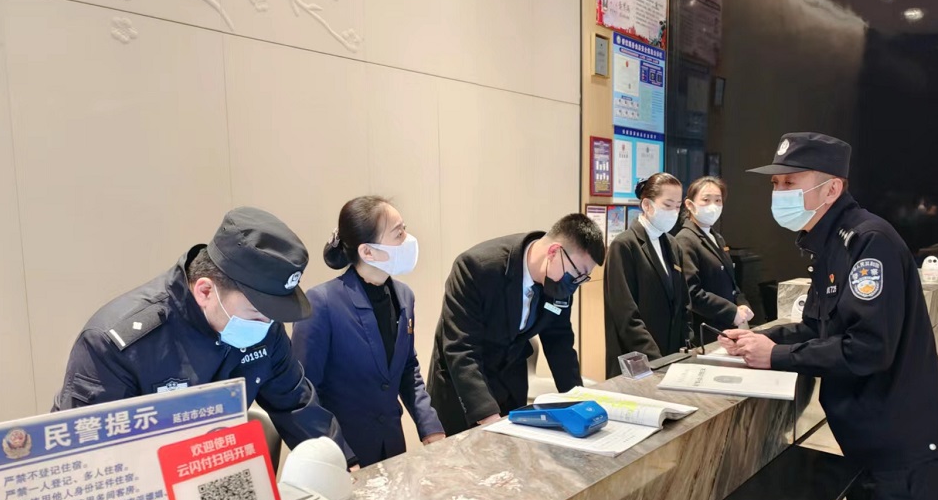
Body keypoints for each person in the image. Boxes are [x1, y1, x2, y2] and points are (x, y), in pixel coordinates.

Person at [720, 132, 938, 500]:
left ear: (831, 189)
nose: (779, 193)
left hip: (910, 463)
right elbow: (817, 328)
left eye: (790, 182)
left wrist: (775, 357)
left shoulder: (868, 244)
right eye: (776, 183)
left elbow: (868, 348)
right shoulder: (830, 245)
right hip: (876, 457)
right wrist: (763, 339)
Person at [53, 207, 349, 461]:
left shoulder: (263, 327)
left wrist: (343, 466)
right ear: (206, 291)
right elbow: (85, 456)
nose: (268, 324)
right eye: (257, 313)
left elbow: (296, 403)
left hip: (218, 478)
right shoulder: (117, 344)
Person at [291, 197, 445, 467]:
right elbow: (306, 394)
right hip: (343, 454)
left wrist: (430, 427)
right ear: (368, 252)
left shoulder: (404, 296)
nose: (408, 240)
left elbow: (407, 369)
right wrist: (342, 455)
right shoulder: (321, 303)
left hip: (392, 446)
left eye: (405, 229)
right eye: (398, 233)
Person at [427, 214, 606, 436]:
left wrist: (578, 401)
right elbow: (461, 349)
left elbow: (559, 343)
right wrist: (488, 416)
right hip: (464, 390)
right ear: (554, 252)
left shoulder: (557, 282)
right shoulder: (476, 268)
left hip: (511, 383)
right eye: (577, 274)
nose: (575, 284)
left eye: (583, 278)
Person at [604, 173, 692, 376]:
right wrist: (655, 360)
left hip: (672, 356)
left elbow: (683, 302)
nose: (673, 212)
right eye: (667, 205)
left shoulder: (673, 245)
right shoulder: (624, 245)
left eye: (678, 206)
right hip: (638, 360)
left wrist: (687, 345)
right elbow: (626, 315)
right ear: (647, 205)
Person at [675, 176, 753, 335]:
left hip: (727, 326)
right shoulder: (685, 239)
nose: (713, 206)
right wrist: (731, 311)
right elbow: (691, 292)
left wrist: (742, 304)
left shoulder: (717, 237)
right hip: (704, 330)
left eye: (718, 200)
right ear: (689, 204)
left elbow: (731, 282)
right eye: (706, 200)